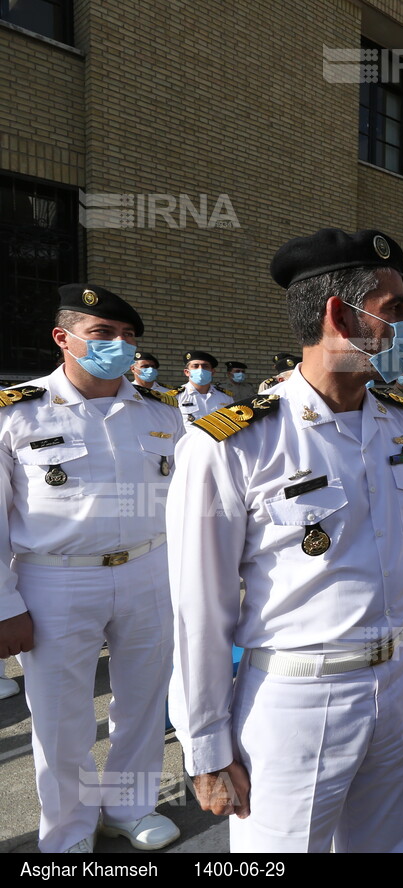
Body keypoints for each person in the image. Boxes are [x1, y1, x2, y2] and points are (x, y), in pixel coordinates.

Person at [167, 228, 403, 852]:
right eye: (394, 310)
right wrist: (205, 746)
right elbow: (197, 610)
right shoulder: (233, 443)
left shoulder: (402, 424)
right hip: (299, 699)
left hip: (397, 683)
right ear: (341, 316)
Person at [0, 283, 183, 852]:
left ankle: (129, 806)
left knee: (144, 703)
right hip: (55, 578)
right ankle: (70, 829)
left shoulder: (161, 412)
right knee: (61, 719)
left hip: (150, 572)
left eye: (128, 337)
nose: (120, 346)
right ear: (63, 338)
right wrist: (5, 607)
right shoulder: (17, 414)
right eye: (103, 335)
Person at [176, 350, 234, 422]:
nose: (200, 369)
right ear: (187, 372)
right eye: (195, 366)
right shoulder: (176, 396)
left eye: (205, 366)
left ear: (212, 372)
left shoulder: (225, 397)